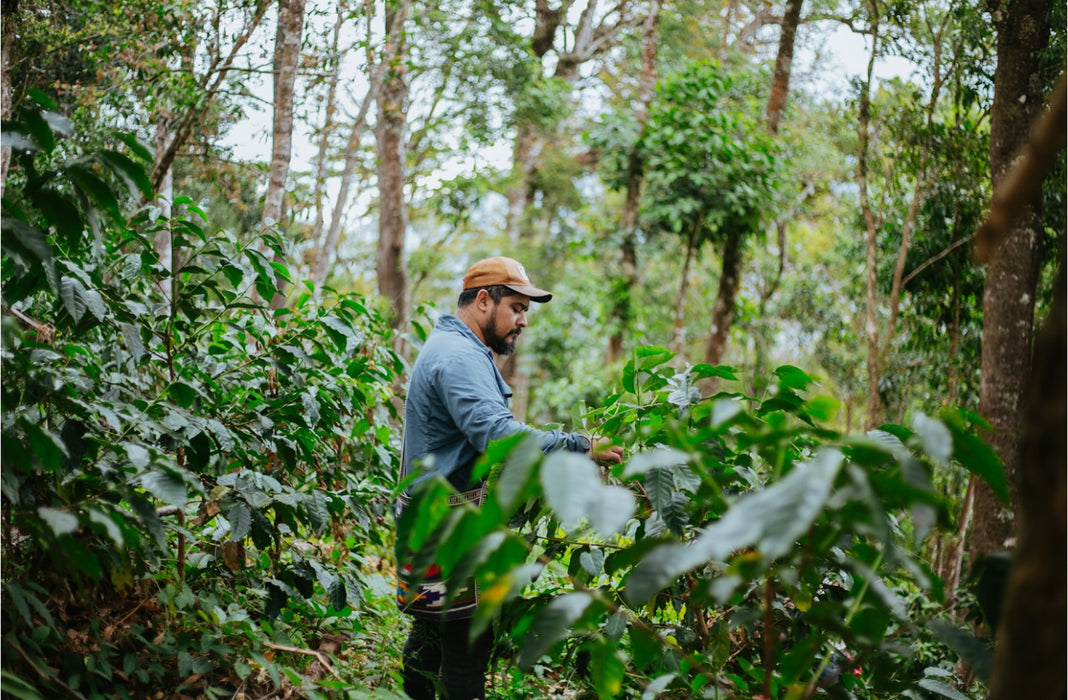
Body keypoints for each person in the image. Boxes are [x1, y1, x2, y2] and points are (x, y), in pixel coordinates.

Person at [396, 256, 624, 700]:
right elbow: (498, 434)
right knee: (466, 650)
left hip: (433, 515)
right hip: (446, 525)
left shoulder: (454, 345)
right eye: (517, 308)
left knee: (431, 637)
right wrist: (580, 445)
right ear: (484, 301)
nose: (522, 321)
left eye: (525, 311)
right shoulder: (459, 356)